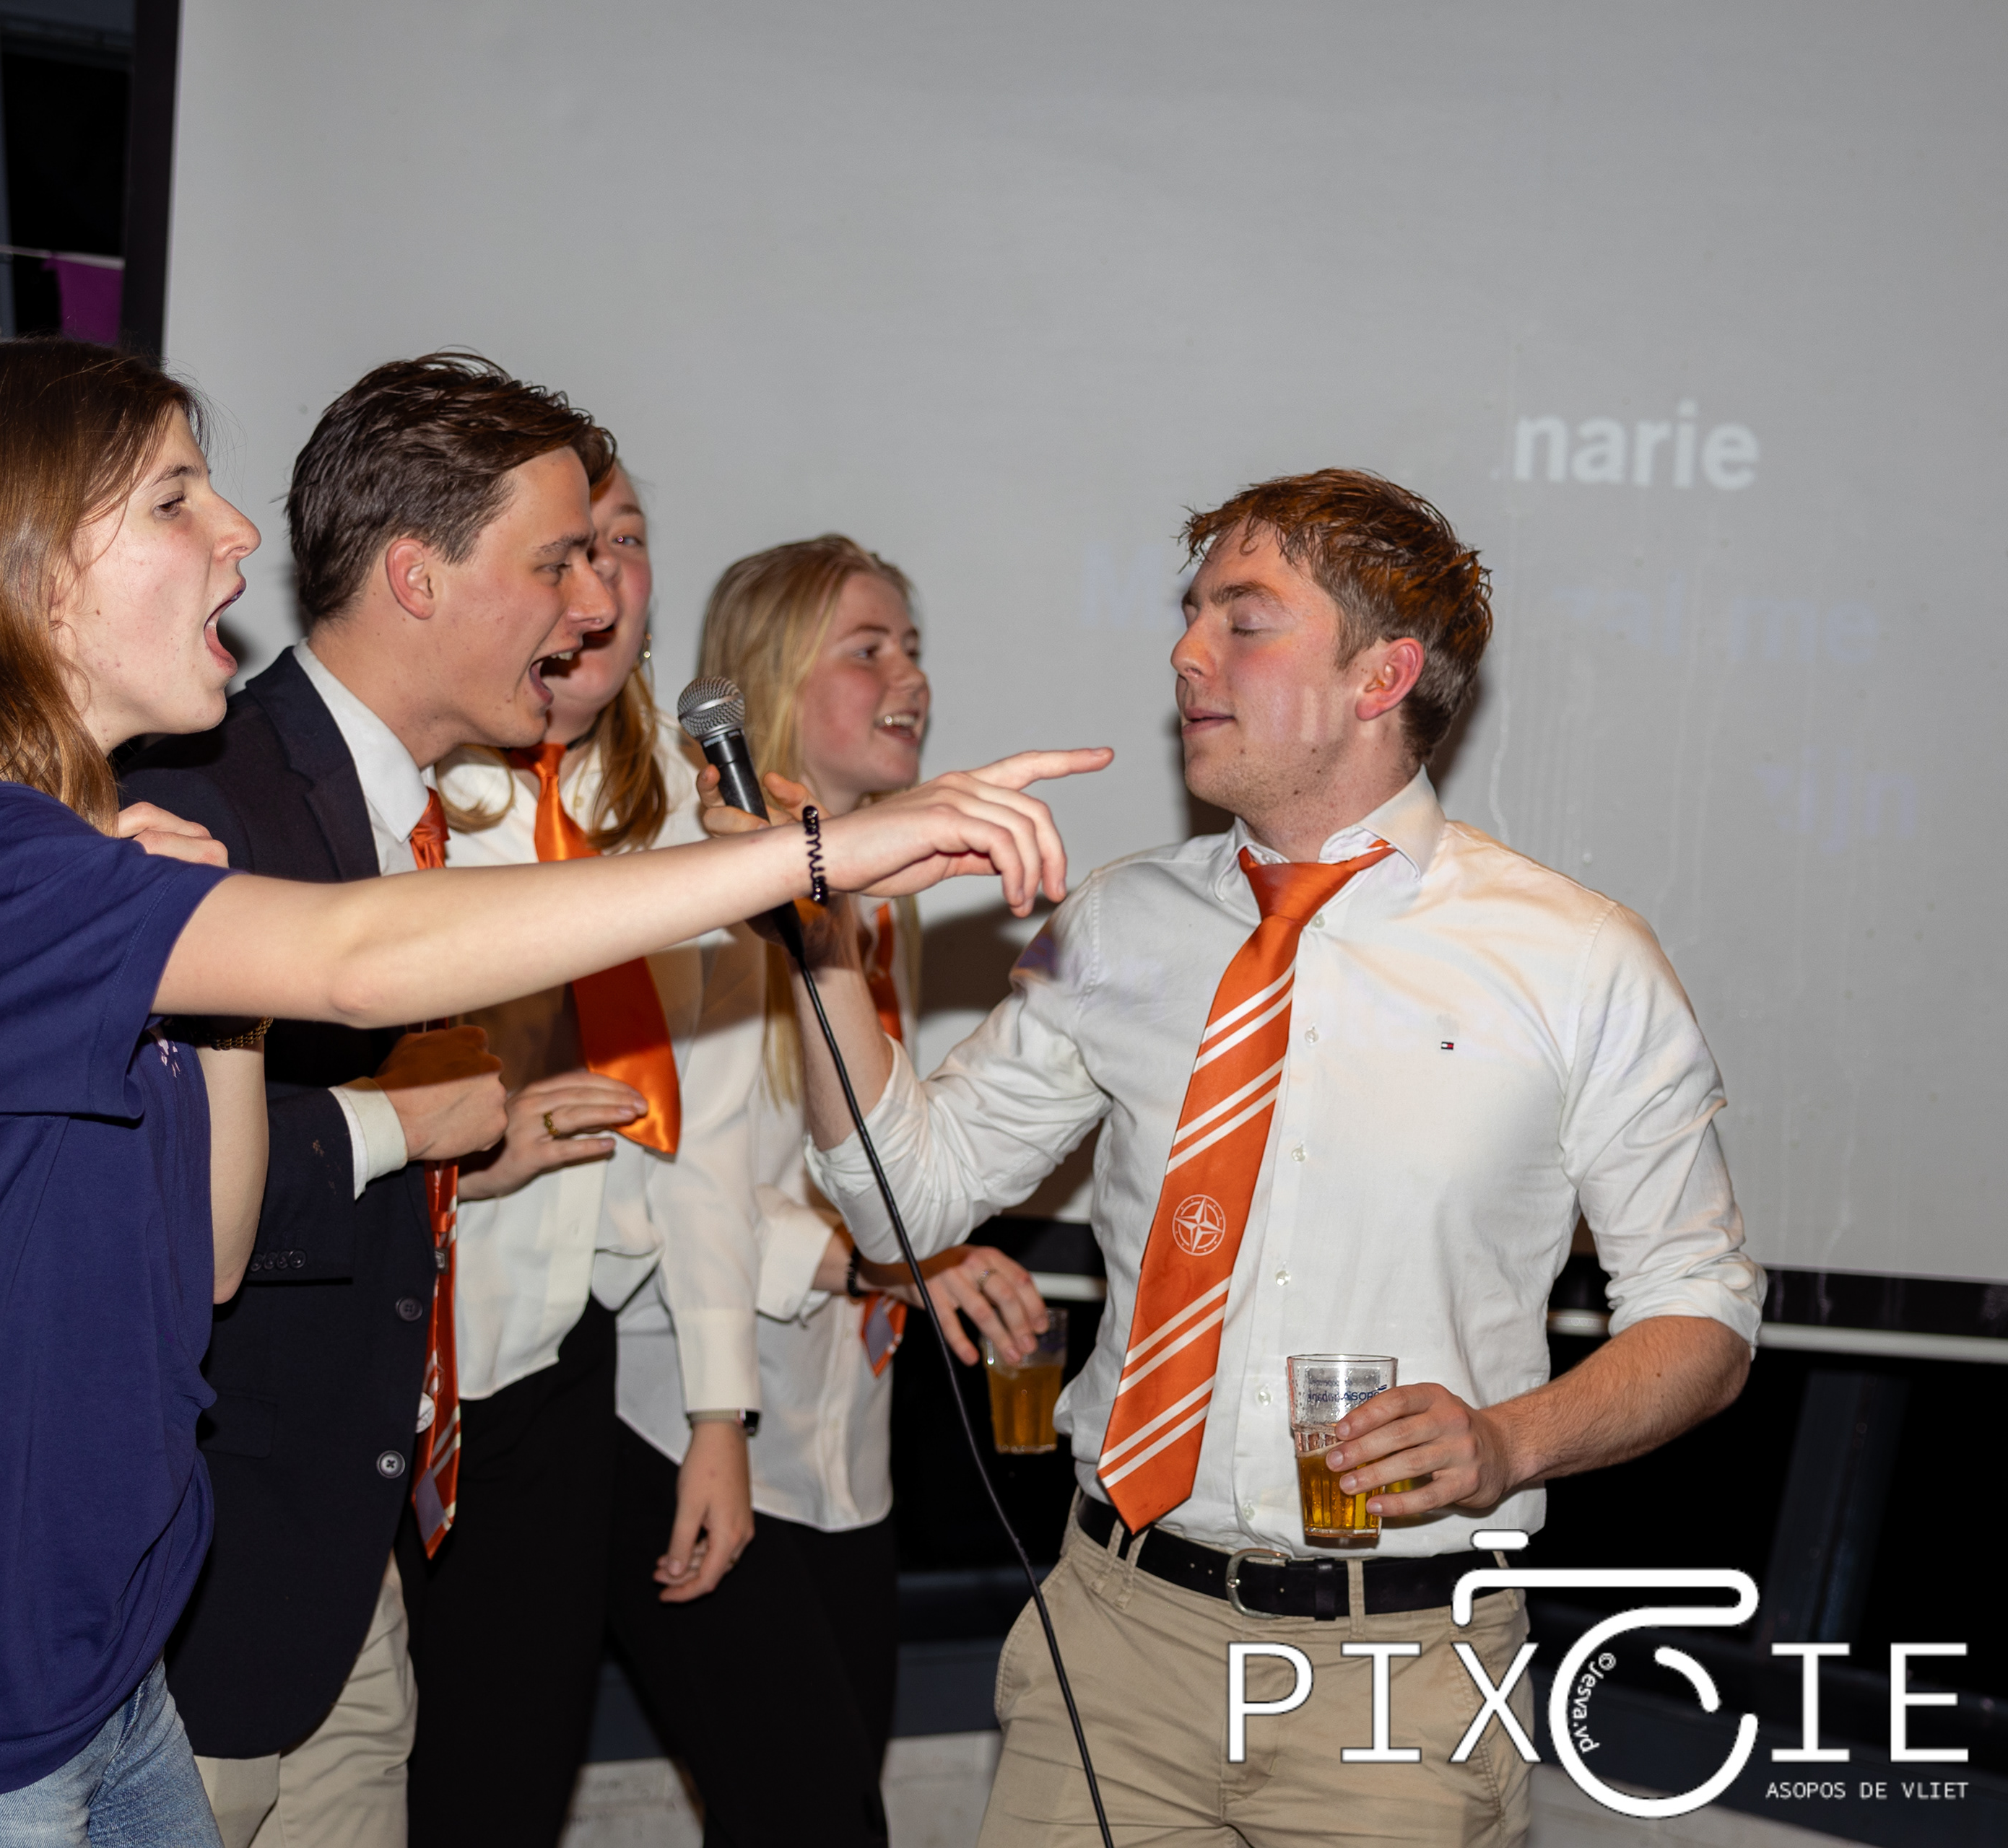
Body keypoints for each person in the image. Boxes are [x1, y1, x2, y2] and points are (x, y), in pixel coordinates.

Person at [0, 336, 1092, 1847]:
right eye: (175, 499)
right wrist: (813, 852)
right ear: (24, 568)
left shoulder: (74, 856)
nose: (237, 533)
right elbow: (363, 959)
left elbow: (213, 1253)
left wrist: (213, 978)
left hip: (100, 1679)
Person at [726, 471, 1760, 1847]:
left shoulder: (1578, 961)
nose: (1186, 651)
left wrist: (1509, 1441)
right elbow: (904, 1202)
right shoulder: (1116, 925)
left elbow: (1704, 1315)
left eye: (1244, 619)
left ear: (1382, 675)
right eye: (1190, 613)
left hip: (1397, 1673)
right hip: (1113, 1639)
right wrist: (817, 933)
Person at [604, 535, 1058, 1848]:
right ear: (771, 677)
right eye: (868, 649)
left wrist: (917, 1251)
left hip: (841, 1449)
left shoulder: (871, 894)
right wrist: (871, 1263)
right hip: (683, 1422)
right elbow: (663, 1179)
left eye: (913, 646)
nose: (910, 677)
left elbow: (861, 1164)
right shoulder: (707, 886)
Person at [395, 460, 761, 1842]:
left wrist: (717, 1416)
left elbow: (709, 1138)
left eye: (629, 544)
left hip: (562, 1362)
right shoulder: (418, 780)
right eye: (571, 550)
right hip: (406, 1351)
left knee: (506, 1776)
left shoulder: (691, 801)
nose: (601, 584)